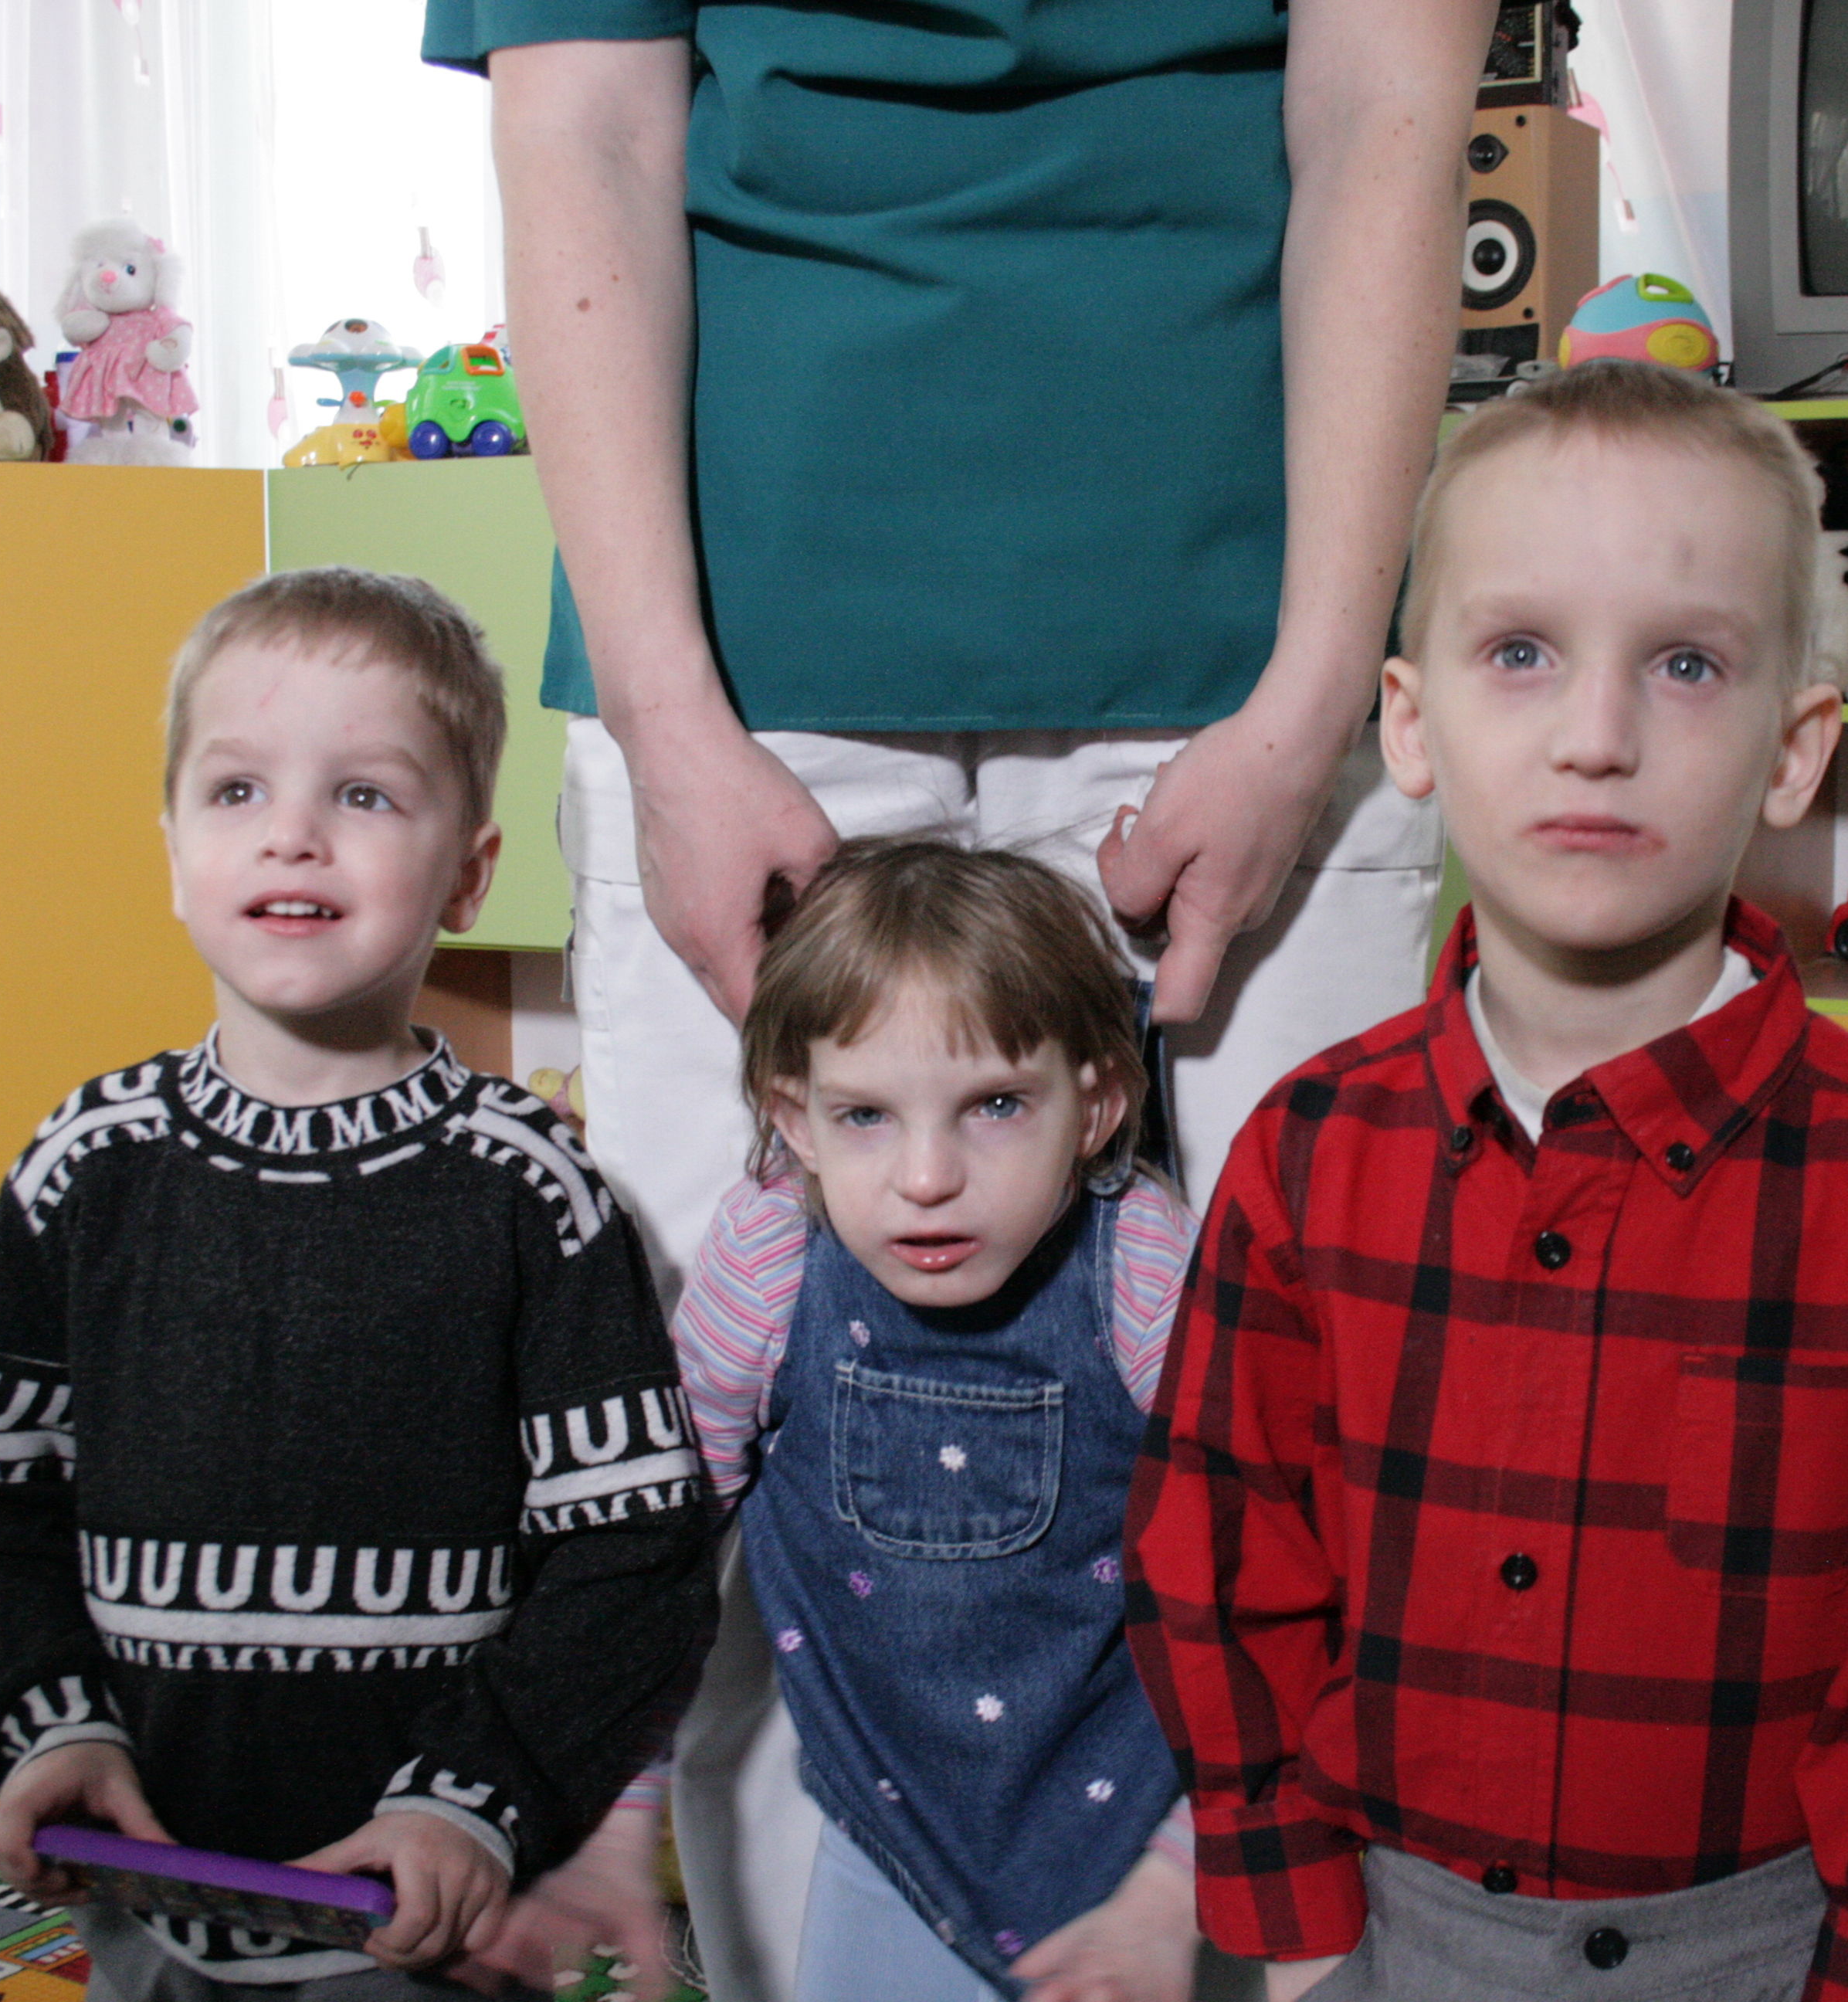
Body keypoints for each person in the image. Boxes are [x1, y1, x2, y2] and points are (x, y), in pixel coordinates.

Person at [417, 10, 1489, 1990]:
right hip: (745, 671)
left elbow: (1385, 114)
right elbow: (583, 137)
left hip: (1249, 649)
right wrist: (666, 723)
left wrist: (1311, 698)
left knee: (1317, 1459)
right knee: (713, 1469)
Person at [1126, 361, 1848, 2002]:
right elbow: (1222, 1551)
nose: (1595, 738)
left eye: (1685, 665)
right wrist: (1297, 1926)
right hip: (1388, 1931)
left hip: (1761, 1949)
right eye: (1520, 652)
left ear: (1794, 750)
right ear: (1409, 724)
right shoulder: (1304, 1154)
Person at [0, 568, 717, 1999]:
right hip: (145, 1874)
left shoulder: (531, 1190)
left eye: (363, 795)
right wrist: (54, 1721)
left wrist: (476, 1791)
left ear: (468, 873)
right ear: (172, 852)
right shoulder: (86, 1164)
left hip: (427, 1898)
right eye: (236, 791)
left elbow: (633, 1553)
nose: (291, 831)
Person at [480, 838, 1208, 2002]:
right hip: (891, 1849)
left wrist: (1176, 1882)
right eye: (866, 1115)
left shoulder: (1143, 1269)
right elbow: (654, 1554)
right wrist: (613, 1825)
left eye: (997, 1106)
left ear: (1098, 1105)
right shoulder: (771, 1257)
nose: (926, 1176)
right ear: (797, 1120)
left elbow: (1266, 1573)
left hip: (1128, 1855)